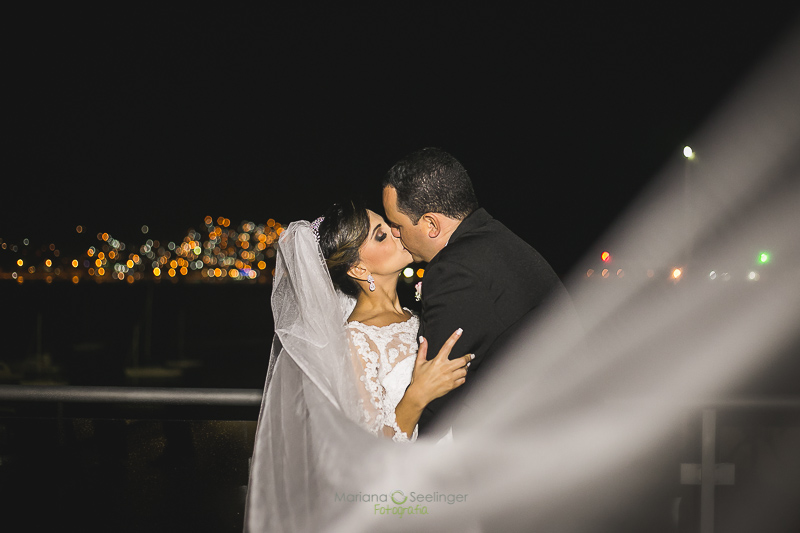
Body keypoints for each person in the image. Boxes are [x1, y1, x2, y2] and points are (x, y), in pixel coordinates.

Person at [244, 200, 471, 531]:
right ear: (359, 269)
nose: (397, 233)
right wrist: (417, 395)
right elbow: (367, 456)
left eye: (389, 227)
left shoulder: (414, 317)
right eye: (381, 236)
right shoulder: (356, 340)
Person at [382, 147, 572, 440]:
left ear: (431, 224)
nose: (395, 233)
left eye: (397, 225)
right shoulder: (497, 237)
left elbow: (435, 405)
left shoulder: (454, 271)